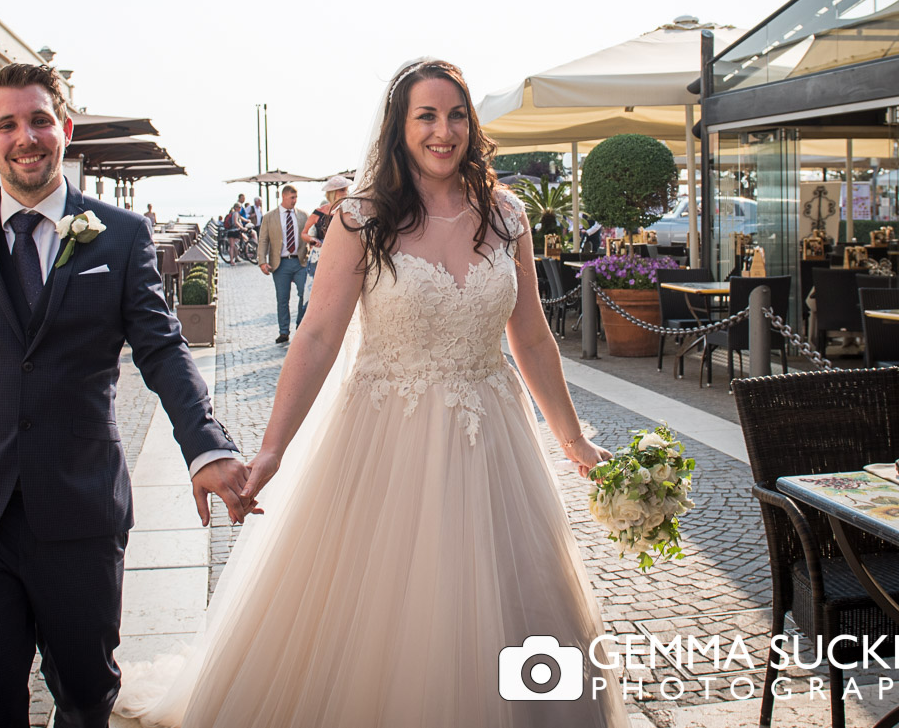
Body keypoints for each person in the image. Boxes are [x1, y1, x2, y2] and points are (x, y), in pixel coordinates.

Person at [116, 58, 625, 727]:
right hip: (385, 439)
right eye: (427, 116)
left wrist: (574, 438)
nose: (444, 130)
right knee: (384, 616)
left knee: (514, 597)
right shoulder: (362, 217)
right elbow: (319, 337)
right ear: (398, 126)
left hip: (494, 439)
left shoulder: (508, 216)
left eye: (456, 114)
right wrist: (270, 451)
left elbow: (530, 337)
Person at [0, 63, 251, 728]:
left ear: (65, 129)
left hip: (79, 508)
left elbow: (163, 350)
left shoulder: (121, 234)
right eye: (8, 124)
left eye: (40, 119)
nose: (26, 136)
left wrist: (206, 447)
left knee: (84, 695)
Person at [256, 185, 310, 343]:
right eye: (292, 198)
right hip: (280, 264)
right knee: (282, 299)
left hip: (300, 261)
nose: (294, 201)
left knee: (304, 294)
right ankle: (284, 331)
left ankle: (300, 326)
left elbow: (309, 235)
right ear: (284, 197)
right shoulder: (270, 217)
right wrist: (262, 262)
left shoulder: (303, 215)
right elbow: (263, 240)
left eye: (296, 198)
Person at [302, 174, 352, 291]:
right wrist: (312, 239)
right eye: (342, 190)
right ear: (333, 193)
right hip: (320, 257)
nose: (346, 193)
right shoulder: (319, 212)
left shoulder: (349, 211)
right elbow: (304, 233)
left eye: (346, 190)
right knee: (317, 290)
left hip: (342, 256)